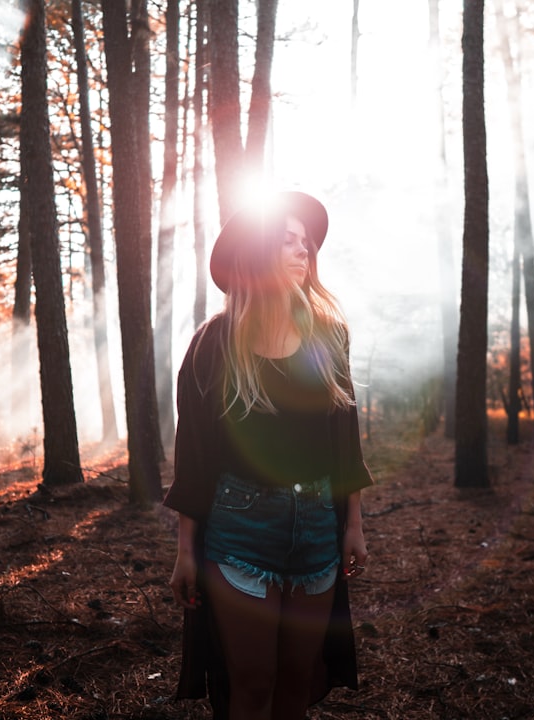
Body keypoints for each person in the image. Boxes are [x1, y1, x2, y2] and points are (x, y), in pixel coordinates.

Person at [164, 191, 372, 720]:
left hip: (318, 532)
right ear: (256, 252)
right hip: (239, 534)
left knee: (297, 682)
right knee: (253, 683)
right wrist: (186, 550)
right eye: (287, 241)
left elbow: (344, 440)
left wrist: (353, 523)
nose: (303, 252)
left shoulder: (329, 338)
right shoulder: (214, 345)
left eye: (306, 243)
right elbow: (194, 455)